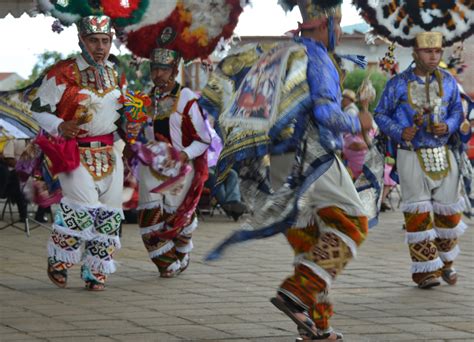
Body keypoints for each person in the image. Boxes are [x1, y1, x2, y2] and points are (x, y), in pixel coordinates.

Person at [201, 0, 374, 339]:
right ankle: (295, 294)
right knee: (353, 222)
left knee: (309, 243)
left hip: (278, 164)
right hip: (312, 157)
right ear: (327, 25)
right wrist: (358, 120)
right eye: (337, 25)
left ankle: (317, 328)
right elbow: (326, 116)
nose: (338, 32)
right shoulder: (318, 57)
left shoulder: (279, 54)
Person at [30, 15, 125, 291]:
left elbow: (124, 114)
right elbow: (37, 108)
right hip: (76, 153)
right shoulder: (63, 72)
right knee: (82, 210)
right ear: (81, 40)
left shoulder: (117, 73)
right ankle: (59, 259)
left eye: (105, 41)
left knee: (109, 214)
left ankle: (96, 270)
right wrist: (60, 125)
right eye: (94, 40)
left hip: (109, 153)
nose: (100, 47)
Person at [374, 31, 466, 289]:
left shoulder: (448, 81)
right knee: (418, 212)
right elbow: (380, 113)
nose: (433, 56)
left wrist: (447, 126)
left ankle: (446, 263)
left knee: (448, 212)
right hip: (410, 153)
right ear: (414, 53)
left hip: (444, 152)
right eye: (428, 51)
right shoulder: (397, 84)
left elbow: (457, 112)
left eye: (437, 51)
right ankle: (425, 271)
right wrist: (400, 131)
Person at [137, 44, 211, 278]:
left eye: (163, 69)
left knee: (176, 218)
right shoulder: (145, 99)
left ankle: (181, 251)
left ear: (174, 70)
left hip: (181, 168)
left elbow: (204, 139)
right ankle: (165, 262)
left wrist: (184, 154)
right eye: (154, 68)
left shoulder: (185, 97)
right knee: (148, 215)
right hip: (151, 166)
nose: (158, 74)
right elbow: (136, 132)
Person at [341, 89, 370, 179]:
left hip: (354, 157)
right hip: (351, 154)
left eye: (343, 98)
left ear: (348, 99)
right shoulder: (349, 110)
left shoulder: (351, 111)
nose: (341, 100)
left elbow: (357, 143)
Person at [1, 139, 29, 222]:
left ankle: (26, 216)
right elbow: (9, 159)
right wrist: (23, 169)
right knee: (19, 190)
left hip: (23, 173)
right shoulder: (11, 139)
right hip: (11, 173)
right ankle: (25, 216)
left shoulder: (30, 140)